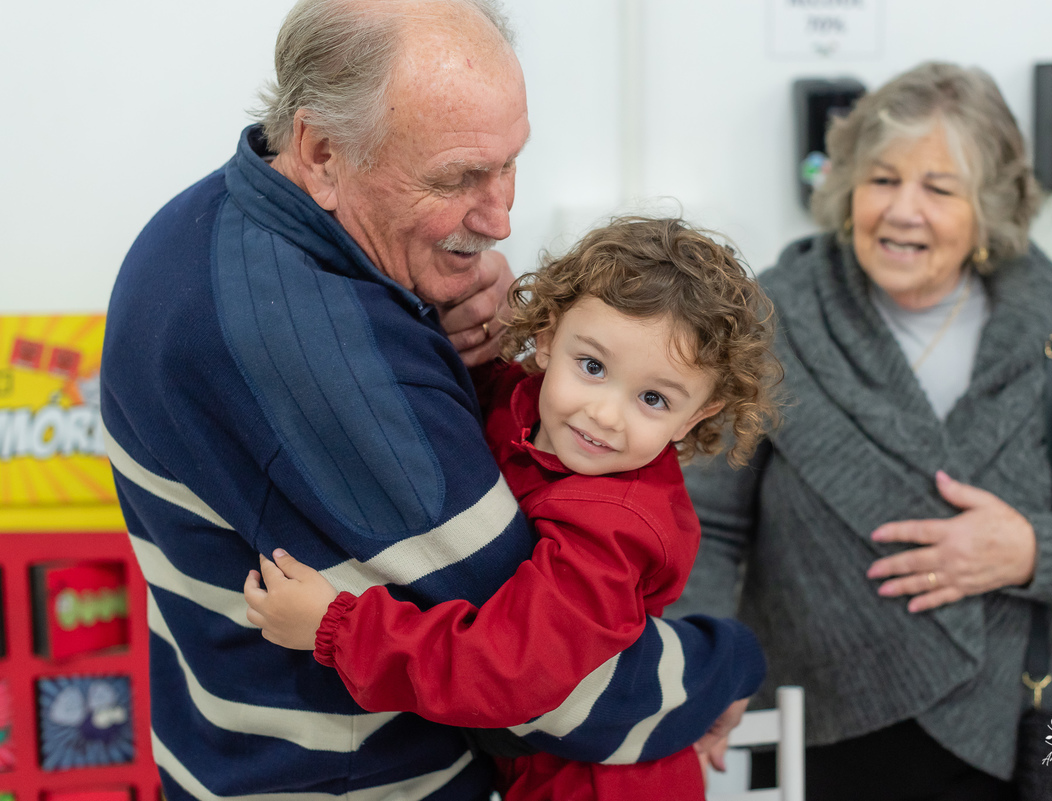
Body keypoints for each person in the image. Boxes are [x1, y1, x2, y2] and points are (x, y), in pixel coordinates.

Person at [100, 2, 762, 799]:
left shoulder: (205, 225)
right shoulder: (323, 348)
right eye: (457, 178)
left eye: (509, 162)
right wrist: (725, 664)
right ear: (320, 150)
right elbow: (552, 690)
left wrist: (434, 321)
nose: (500, 214)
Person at [669, 61, 1052, 801]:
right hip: (818, 734)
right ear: (846, 187)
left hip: (1022, 731)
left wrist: (1026, 549)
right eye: (882, 179)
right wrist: (704, 666)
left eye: (939, 189)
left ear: (989, 209)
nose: (903, 211)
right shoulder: (771, 319)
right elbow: (706, 521)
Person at [243, 216, 778, 801]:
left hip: (605, 780)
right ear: (547, 337)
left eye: (653, 398)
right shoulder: (521, 401)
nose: (604, 414)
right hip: (539, 760)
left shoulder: (617, 527)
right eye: (592, 367)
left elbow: (509, 670)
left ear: (698, 415)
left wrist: (338, 628)